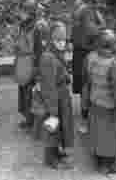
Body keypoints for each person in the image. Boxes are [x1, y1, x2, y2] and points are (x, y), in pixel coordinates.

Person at [84, 30, 116, 174]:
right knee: (111, 136)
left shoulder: (90, 58)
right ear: (112, 46)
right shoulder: (114, 65)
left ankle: (99, 162)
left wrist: (85, 104)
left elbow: (86, 83)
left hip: (94, 102)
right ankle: (111, 165)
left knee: (98, 133)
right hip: (110, 106)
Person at [39, 22, 75, 170]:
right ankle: (51, 159)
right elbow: (48, 88)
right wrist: (52, 111)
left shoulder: (56, 53)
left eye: (64, 40)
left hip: (62, 97)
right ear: (51, 40)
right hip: (54, 100)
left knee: (60, 129)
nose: (62, 44)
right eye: (58, 40)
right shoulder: (48, 57)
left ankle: (56, 152)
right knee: (52, 130)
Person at [71, 0, 107, 118]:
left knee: (86, 82)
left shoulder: (82, 4)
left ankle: (86, 109)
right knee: (87, 82)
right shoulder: (86, 9)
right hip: (86, 51)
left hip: (82, 49)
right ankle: (87, 112)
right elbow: (91, 31)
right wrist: (104, 27)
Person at [14, 0, 49, 130]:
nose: (20, 13)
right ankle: (28, 118)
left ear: (31, 11)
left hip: (33, 63)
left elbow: (41, 50)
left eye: (24, 10)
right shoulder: (24, 24)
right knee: (24, 92)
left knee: (34, 93)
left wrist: (37, 69)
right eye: (21, 9)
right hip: (24, 62)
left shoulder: (39, 27)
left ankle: (36, 121)